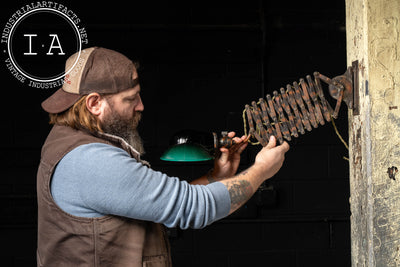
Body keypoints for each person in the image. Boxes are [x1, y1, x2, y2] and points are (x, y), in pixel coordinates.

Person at [37, 46, 289, 267]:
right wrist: (262, 170)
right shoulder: (89, 161)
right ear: (94, 104)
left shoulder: (73, 142)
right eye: (130, 98)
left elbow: (161, 207)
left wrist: (216, 177)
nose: (141, 106)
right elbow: (194, 207)